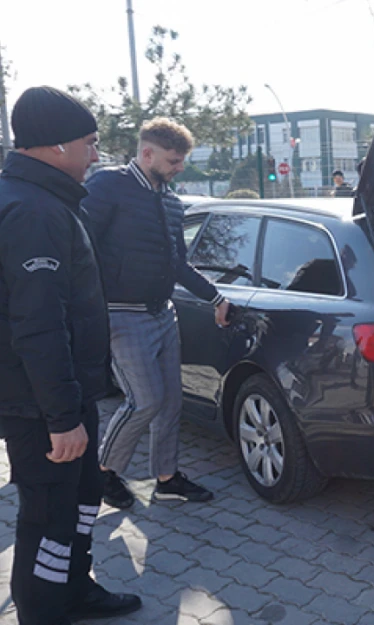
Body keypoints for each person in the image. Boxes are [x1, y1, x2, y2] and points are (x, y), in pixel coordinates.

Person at [0, 86, 142, 624]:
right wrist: (62, 418)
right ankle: (44, 612)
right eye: (90, 141)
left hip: (66, 398)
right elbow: (37, 327)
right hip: (43, 410)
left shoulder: (44, 201)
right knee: (48, 517)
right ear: (57, 147)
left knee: (79, 501)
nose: (97, 153)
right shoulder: (31, 212)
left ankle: (75, 592)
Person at [83, 118, 229, 509]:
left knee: (170, 403)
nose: (180, 167)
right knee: (143, 400)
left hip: (164, 314)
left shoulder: (170, 201)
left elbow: (178, 263)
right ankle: (103, 474)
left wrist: (216, 298)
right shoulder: (107, 186)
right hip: (121, 315)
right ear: (147, 153)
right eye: (174, 160)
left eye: (181, 160)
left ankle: (166, 479)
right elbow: (80, 246)